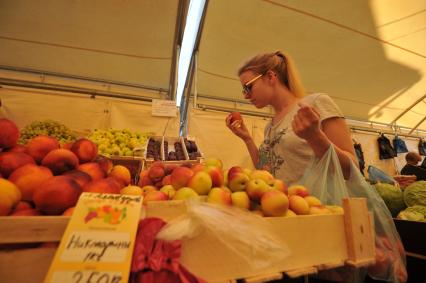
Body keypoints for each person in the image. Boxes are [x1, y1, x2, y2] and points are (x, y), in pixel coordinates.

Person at [225, 51, 357, 185]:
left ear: (270, 77)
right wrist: (247, 138)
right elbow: (264, 170)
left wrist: (315, 137)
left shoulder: (316, 103)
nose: (245, 96)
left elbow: (352, 170)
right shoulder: (270, 127)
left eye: (248, 87)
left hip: (320, 204)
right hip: (287, 204)